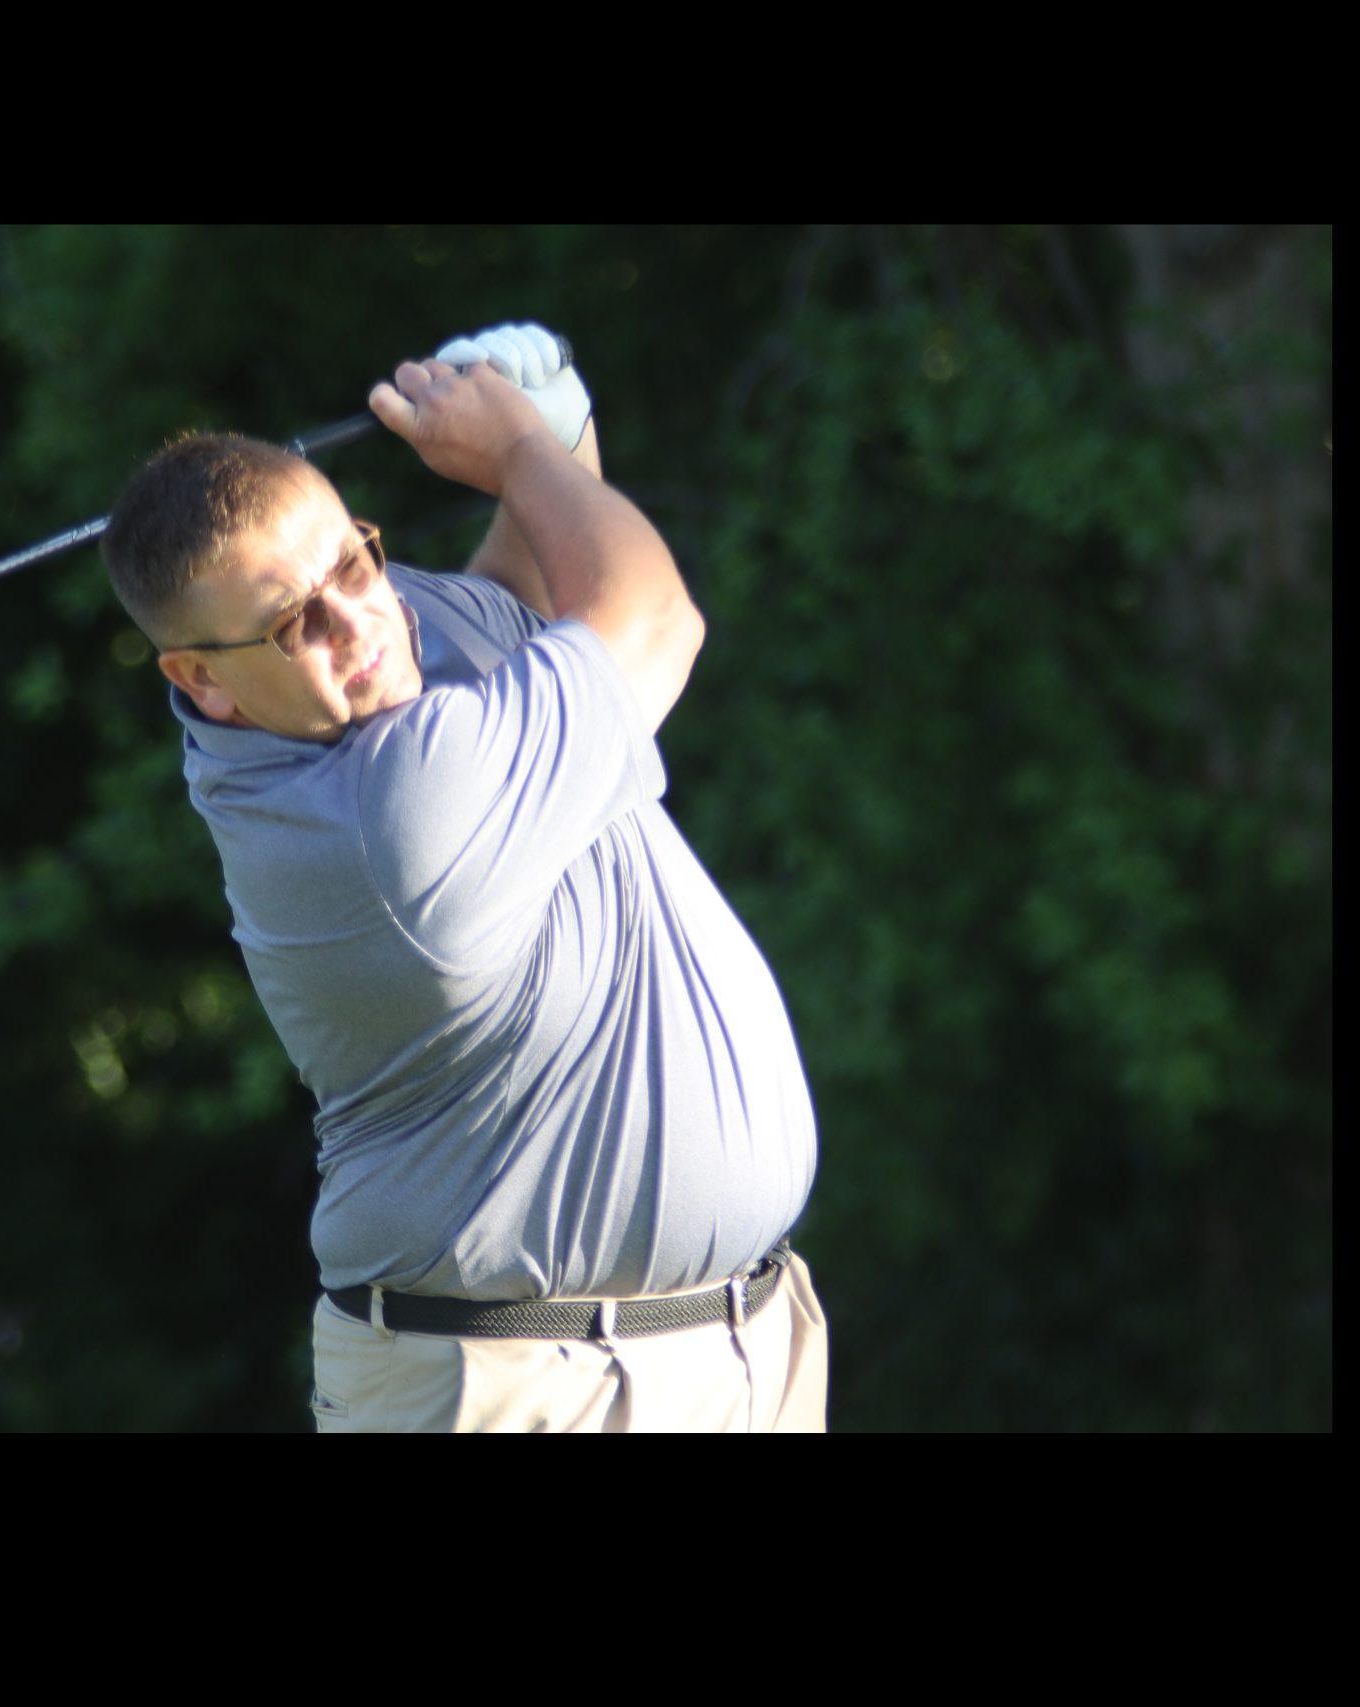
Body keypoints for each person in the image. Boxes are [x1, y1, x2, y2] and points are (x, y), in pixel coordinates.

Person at [101, 323, 824, 1432]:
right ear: (203, 680)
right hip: (523, 1387)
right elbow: (649, 618)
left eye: (353, 561)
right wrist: (519, 451)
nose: (358, 623)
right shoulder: (382, 822)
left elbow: (525, 605)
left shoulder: (374, 652)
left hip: (728, 1350)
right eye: (295, 622)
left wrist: (561, 435)